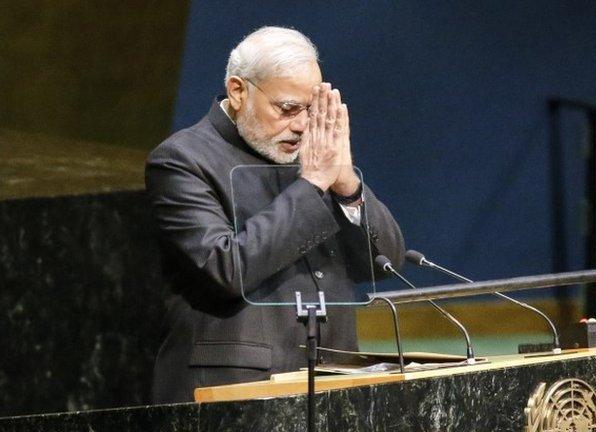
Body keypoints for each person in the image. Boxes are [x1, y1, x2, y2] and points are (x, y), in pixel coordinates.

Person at [145, 26, 404, 403]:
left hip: (333, 382)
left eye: (310, 110)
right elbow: (226, 270)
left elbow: (386, 265)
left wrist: (347, 185)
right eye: (286, 109)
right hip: (232, 393)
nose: (301, 125)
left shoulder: (315, 157)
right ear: (238, 91)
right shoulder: (182, 161)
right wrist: (313, 183)